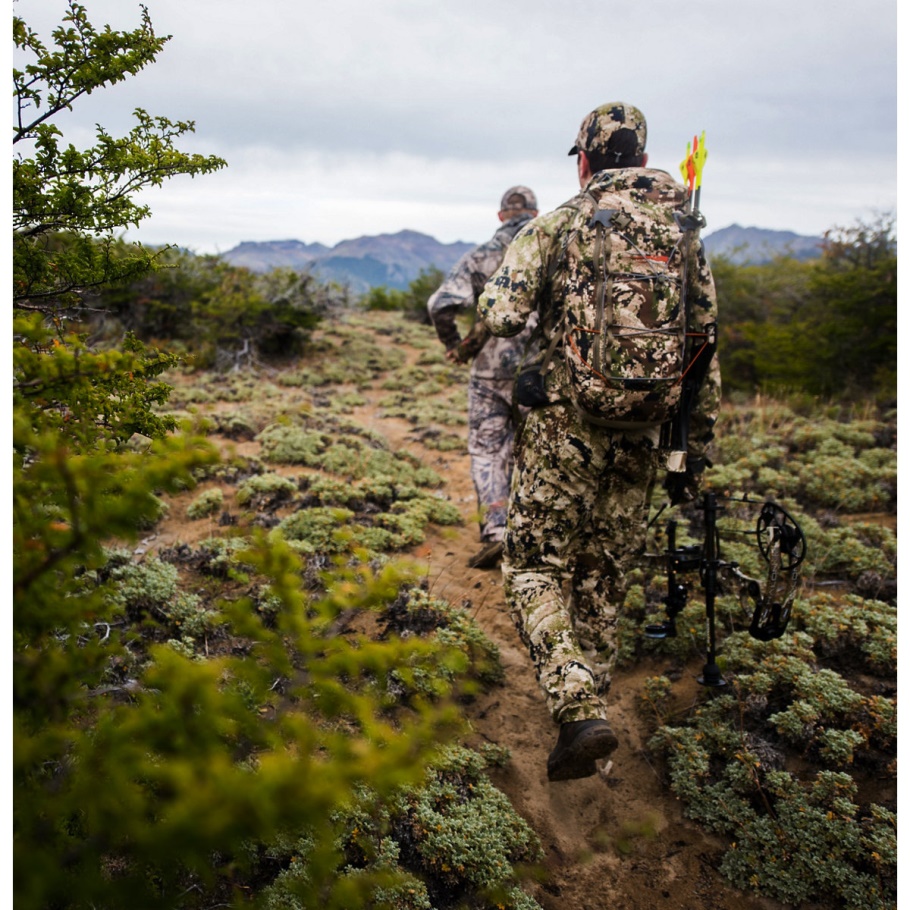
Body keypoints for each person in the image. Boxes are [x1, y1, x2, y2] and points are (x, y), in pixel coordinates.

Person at [478, 103, 721, 781]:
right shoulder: (683, 232)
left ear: (585, 159)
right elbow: (704, 347)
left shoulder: (560, 222)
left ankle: (576, 705)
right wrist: (692, 450)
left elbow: (500, 313)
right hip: (645, 436)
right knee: (604, 578)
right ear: (642, 160)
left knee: (533, 565)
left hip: (565, 428)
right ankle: (595, 739)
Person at [426, 186, 539, 569]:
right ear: (536, 214)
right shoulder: (552, 252)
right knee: (536, 450)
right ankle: (533, 533)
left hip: (489, 372)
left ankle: (495, 529)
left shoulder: (480, 256)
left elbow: (440, 304)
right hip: (541, 371)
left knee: (490, 450)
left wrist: (456, 345)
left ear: (500, 216)